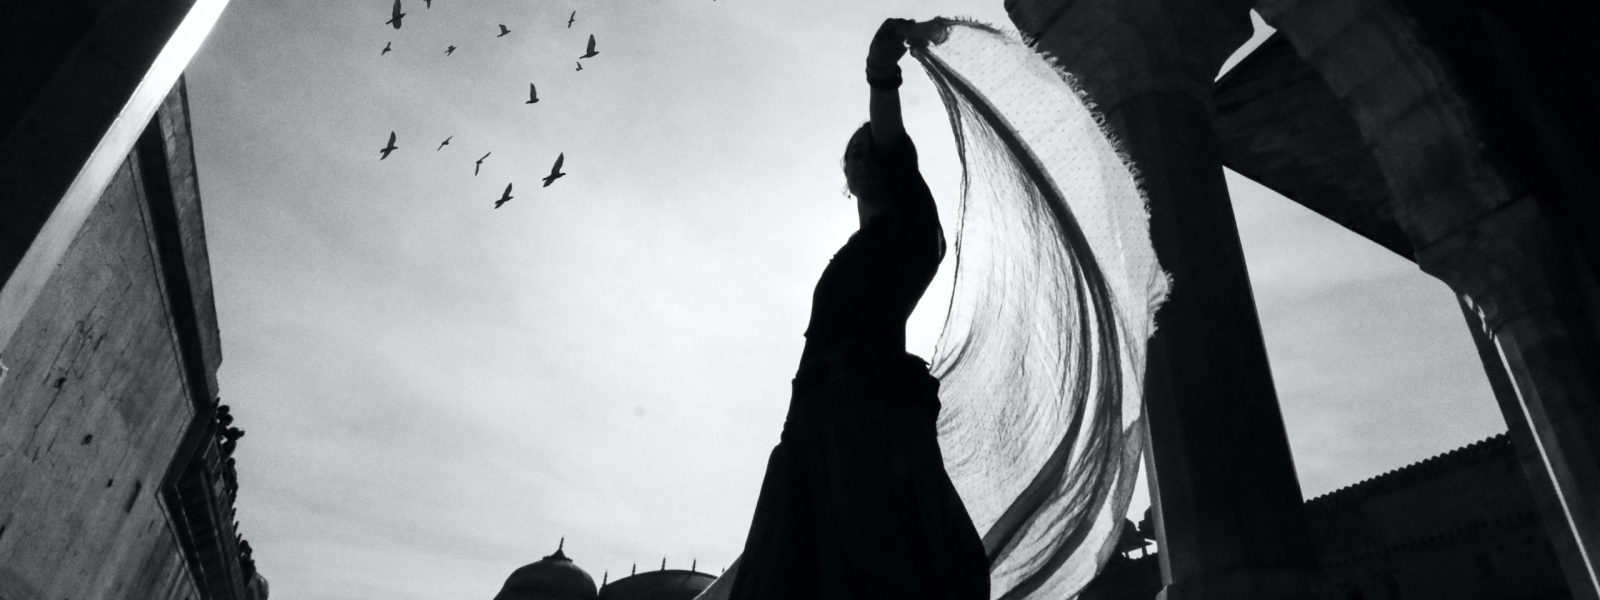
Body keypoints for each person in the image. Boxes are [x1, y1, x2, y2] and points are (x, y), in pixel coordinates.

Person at [725, 18, 989, 600]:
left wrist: (881, 74)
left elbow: (890, 138)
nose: (862, 155)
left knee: (873, 561)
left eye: (870, 147)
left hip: (865, 415)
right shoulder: (852, 252)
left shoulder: (911, 229)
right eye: (853, 152)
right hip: (814, 417)